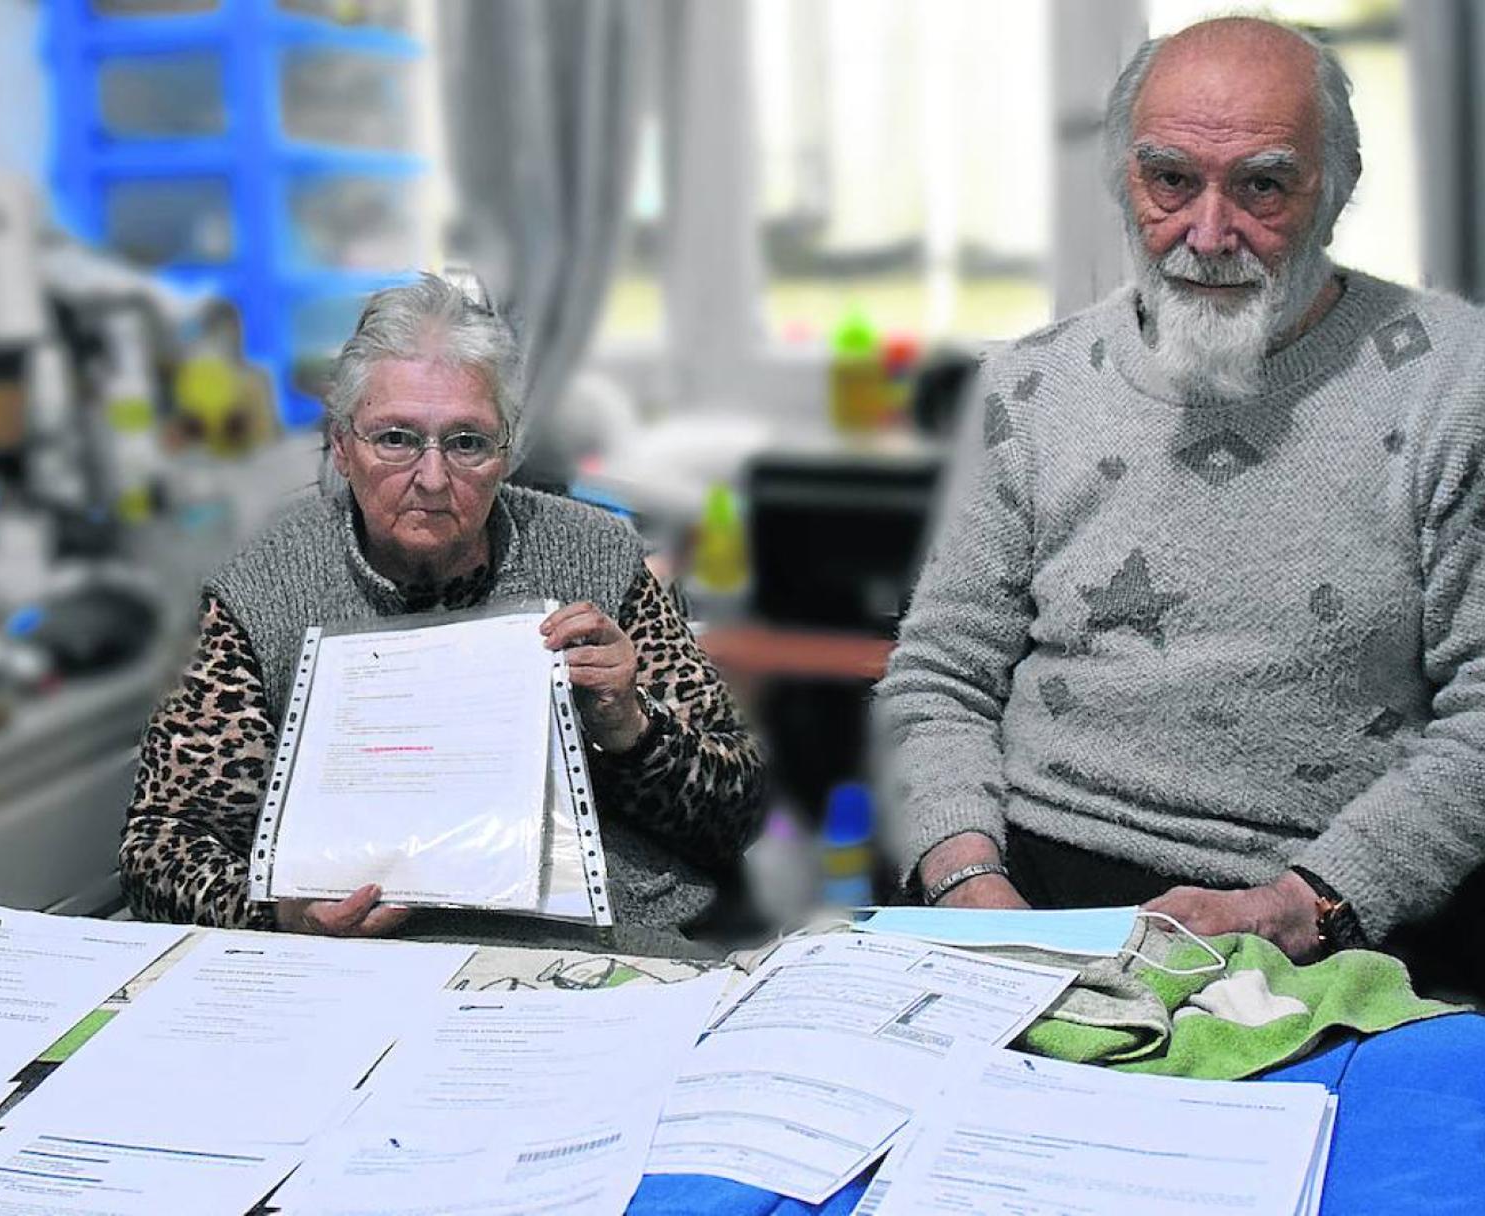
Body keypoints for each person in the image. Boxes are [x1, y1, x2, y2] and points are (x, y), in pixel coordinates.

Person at [875, 17, 1485, 989]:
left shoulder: (1457, 383)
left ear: (1336, 190)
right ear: (1126, 180)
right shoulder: (1029, 384)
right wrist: (971, 886)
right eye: (1170, 181)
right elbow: (940, 676)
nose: (1208, 234)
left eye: (1263, 186)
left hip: (1323, 909)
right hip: (1028, 884)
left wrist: (1301, 904)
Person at [121, 274, 765, 956]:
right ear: (341, 446)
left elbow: (739, 811)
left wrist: (632, 731)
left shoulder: (594, 556)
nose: (432, 478)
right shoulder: (262, 583)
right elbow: (161, 844)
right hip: (362, 961)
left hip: (606, 944)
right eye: (396, 439)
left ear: (506, 452)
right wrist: (277, 915)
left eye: (466, 443)